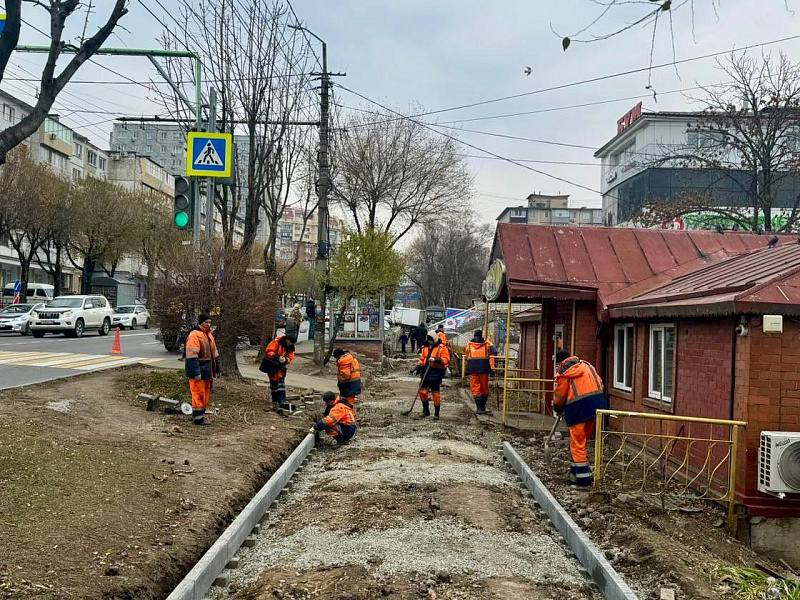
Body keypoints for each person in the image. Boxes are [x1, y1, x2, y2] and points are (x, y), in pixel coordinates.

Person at [553, 349, 608, 487]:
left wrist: (557, 408)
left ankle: (583, 480)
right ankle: (574, 473)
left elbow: (560, 395)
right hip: (597, 405)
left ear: (560, 362)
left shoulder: (565, 372)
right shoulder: (587, 366)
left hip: (578, 408)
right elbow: (600, 383)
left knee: (577, 444)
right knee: (582, 442)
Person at [184, 313, 220, 426]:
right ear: (201, 322)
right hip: (198, 368)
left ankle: (199, 415)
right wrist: (195, 372)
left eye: (210, 322)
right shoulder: (195, 335)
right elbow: (191, 355)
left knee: (205, 393)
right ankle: (198, 418)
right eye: (206, 322)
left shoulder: (208, 335)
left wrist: (217, 368)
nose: (208, 324)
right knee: (198, 393)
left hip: (207, 369)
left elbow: (215, 353)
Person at [413, 334, 451, 419]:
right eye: (429, 340)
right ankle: (426, 410)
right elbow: (422, 359)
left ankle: (436, 413)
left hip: (436, 372)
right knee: (422, 391)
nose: (430, 342)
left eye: (431, 340)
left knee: (435, 393)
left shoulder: (441, 348)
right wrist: (418, 366)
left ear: (435, 339)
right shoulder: (425, 347)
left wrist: (437, 359)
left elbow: (446, 359)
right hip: (426, 371)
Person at [260, 334, 296, 410]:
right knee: (273, 384)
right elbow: (269, 351)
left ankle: (282, 400)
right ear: (287, 340)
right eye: (290, 342)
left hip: (280, 366)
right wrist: (277, 357)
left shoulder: (290, 346)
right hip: (272, 364)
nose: (290, 344)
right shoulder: (277, 342)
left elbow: (291, 357)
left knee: (281, 383)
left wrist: (285, 360)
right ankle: (275, 401)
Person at [464, 329, 497, 414]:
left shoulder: (469, 345)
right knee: (484, 388)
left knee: (475, 388)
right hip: (484, 369)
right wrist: (492, 369)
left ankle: (479, 408)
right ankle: (482, 408)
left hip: (473, 369)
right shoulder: (487, 344)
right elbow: (494, 352)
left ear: (474, 336)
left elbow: (467, 355)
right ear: (481, 336)